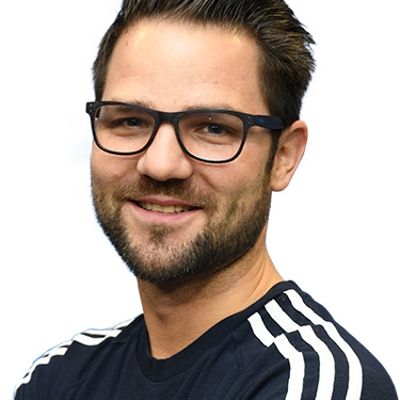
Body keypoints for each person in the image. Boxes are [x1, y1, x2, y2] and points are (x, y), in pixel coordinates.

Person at [14, 0, 398, 399]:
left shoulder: (315, 382)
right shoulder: (59, 378)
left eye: (213, 128)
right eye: (130, 120)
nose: (160, 164)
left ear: (283, 157)